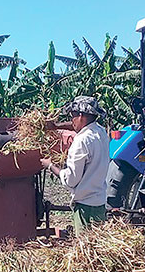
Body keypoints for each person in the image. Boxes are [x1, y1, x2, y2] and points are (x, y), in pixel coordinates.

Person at [41, 96, 110, 234]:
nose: (71, 120)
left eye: (72, 116)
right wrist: (55, 126)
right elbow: (77, 126)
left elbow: (71, 180)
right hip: (99, 203)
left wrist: (50, 165)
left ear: (81, 115)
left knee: (86, 250)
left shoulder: (80, 142)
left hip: (85, 207)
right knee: (98, 247)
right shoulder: (101, 132)